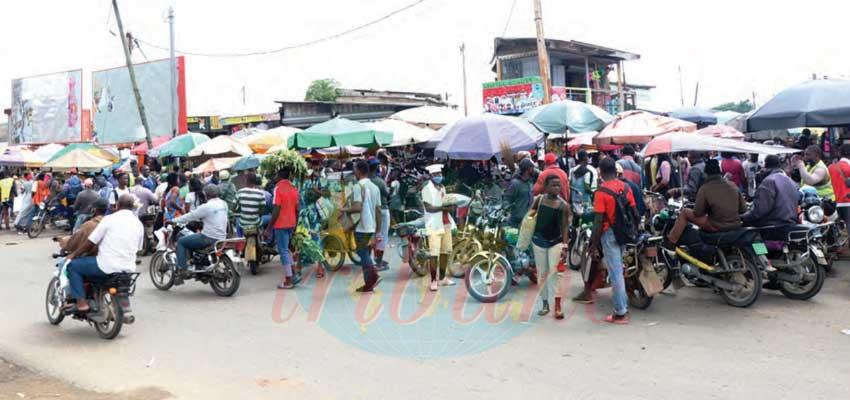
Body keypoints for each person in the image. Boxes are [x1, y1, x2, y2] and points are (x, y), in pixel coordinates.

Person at [579, 157, 636, 324]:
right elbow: (634, 211)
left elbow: (598, 221)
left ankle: (620, 313)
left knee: (615, 273)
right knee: (619, 270)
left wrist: (593, 243)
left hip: (609, 234)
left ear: (601, 172)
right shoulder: (625, 187)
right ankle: (622, 305)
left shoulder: (601, 192)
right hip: (624, 234)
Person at [64, 195, 143, 312]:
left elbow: (90, 242)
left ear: (117, 205)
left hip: (106, 266)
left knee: (73, 266)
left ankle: (81, 302)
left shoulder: (109, 219)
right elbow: (138, 248)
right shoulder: (138, 224)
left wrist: (74, 254)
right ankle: (120, 302)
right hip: (128, 268)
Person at [666, 159, 746, 246]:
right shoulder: (733, 185)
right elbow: (743, 209)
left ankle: (671, 243)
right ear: (720, 172)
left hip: (717, 226)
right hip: (736, 224)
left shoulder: (705, 188)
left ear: (706, 174)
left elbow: (698, 213)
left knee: (685, 212)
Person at [531, 175, 572, 319]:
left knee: (556, 274)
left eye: (558, 185)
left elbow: (565, 226)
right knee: (541, 274)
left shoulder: (564, 205)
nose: (557, 188)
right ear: (546, 187)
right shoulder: (539, 200)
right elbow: (530, 217)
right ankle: (544, 304)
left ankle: (558, 306)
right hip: (538, 241)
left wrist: (565, 245)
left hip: (556, 242)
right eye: (554, 185)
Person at [340, 161, 382, 292]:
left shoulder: (358, 187)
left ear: (358, 171)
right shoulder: (375, 187)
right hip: (371, 226)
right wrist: (378, 229)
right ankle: (368, 283)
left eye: (355, 169)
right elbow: (378, 210)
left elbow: (357, 207)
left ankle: (372, 276)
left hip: (361, 226)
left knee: (362, 253)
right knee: (365, 253)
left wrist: (345, 210)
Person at [173, 185, 228, 283]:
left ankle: (182, 270)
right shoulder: (223, 203)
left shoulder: (206, 207)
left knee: (181, 242)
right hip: (222, 237)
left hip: (208, 237)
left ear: (206, 194)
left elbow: (191, 216)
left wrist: (173, 220)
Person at [421, 163, 456, 291]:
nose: (439, 176)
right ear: (431, 176)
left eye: (440, 174)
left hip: (445, 223)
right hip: (434, 225)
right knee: (434, 254)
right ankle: (433, 280)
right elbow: (428, 207)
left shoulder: (442, 188)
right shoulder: (426, 189)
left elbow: (445, 202)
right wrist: (443, 207)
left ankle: (442, 278)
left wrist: (449, 206)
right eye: (436, 175)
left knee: (445, 252)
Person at [742, 155, 799, 228]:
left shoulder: (769, 181)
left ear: (765, 165)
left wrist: (741, 218)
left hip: (772, 226)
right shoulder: (790, 181)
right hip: (790, 223)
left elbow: (759, 211)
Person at [267, 168, 301, 289]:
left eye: (276, 174)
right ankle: (294, 274)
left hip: (281, 224)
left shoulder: (278, 188)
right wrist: (296, 224)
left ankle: (289, 280)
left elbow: (276, 209)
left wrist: (268, 228)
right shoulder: (294, 188)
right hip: (291, 223)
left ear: (280, 176)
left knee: (283, 251)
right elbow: (297, 209)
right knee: (287, 250)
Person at [368, 158, 391, 271]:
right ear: (377, 168)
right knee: (382, 236)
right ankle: (379, 262)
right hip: (382, 210)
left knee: (373, 236)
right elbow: (387, 194)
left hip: (370, 211)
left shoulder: (366, 181)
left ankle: (373, 260)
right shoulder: (380, 181)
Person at [503, 158, 536, 228]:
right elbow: (507, 199)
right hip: (516, 221)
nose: (534, 170)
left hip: (528, 219)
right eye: (532, 168)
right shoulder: (515, 184)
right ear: (528, 169)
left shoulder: (530, 182)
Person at [829, 144, 850, 233]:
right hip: (848, 202)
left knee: (837, 230)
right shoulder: (848, 166)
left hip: (834, 203)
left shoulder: (830, 167)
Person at [569, 150, 597, 217]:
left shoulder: (572, 170)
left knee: (575, 219)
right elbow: (586, 187)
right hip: (584, 201)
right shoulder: (587, 171)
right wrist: (593, 193)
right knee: (584, 219)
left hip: (574, 200)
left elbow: (570, 185)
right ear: (586, 158)